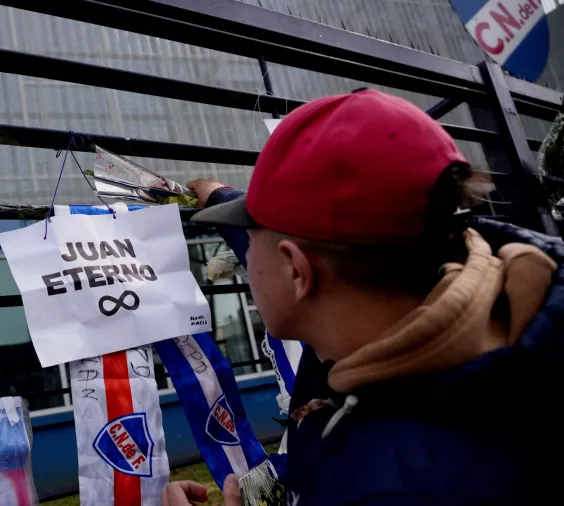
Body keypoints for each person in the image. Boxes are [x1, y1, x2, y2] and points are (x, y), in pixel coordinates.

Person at [163, 88, 559, 505]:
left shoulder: (393, 486)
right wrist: (220, 196)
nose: (246, 251)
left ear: (297, 271)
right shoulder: (493, 295)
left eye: (250, 231)